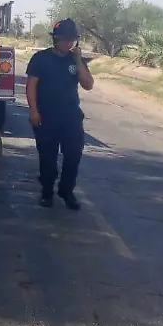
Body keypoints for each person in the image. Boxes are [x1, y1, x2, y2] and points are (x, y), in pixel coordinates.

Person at [25, 18, 95, 210]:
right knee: (47, 158)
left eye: (71, 39)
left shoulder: (76, 61)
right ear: (55, 39)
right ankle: (47, 192)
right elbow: (31, 86)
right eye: (64, 39)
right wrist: (33, 111)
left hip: (71, 118)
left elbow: (88, 85)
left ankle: (66, 191)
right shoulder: (41, 58)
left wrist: (79, 60)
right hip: (46, 117)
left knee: (73, 155)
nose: (68, 43)